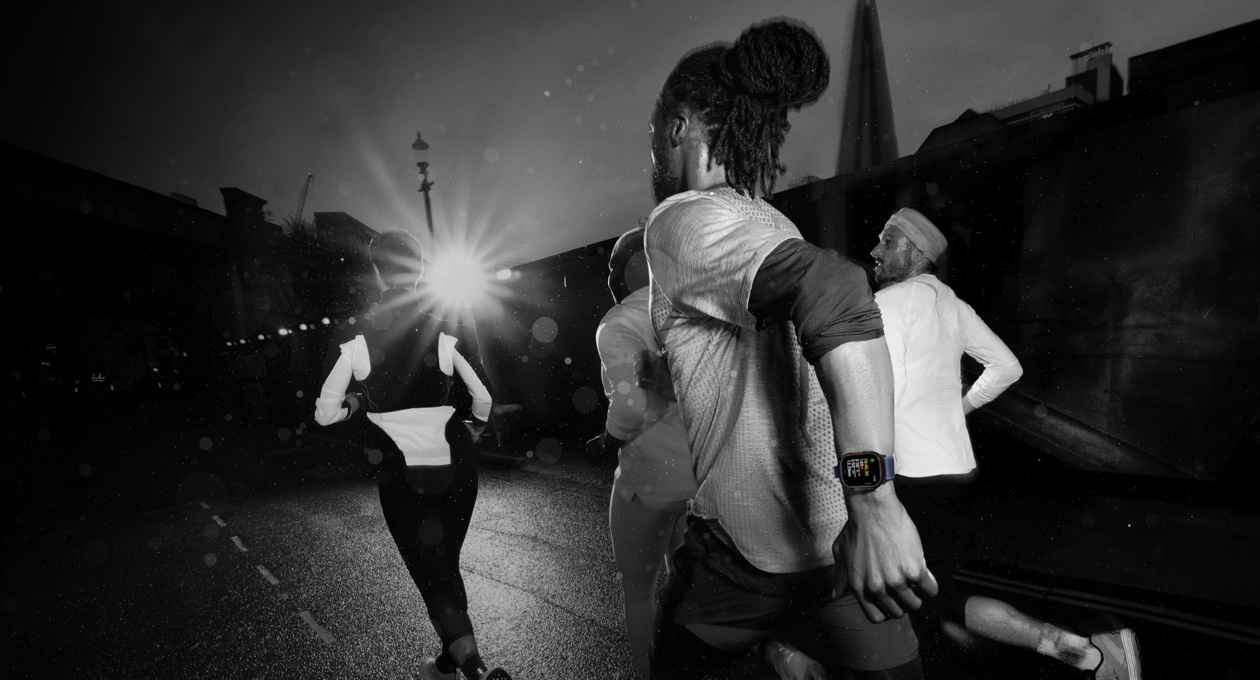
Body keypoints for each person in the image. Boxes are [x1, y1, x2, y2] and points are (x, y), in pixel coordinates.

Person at [643, 19, 937, 680]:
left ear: (679, 128)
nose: (653, 155)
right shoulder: (771, 220)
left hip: (748, 556)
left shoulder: (680, 220)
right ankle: (789, 651)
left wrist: (876, 504)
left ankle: (781, 649)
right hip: (835, 546)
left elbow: (837, 290)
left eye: (654, 137)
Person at [869, 207, 1142, 680]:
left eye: (888, 242)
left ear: (915, 254)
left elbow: (877, 388)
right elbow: (1007, 367)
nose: (875, 250)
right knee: (916, 588)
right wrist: (959, 409)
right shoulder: (953, 305)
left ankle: (1093, 654)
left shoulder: (888, 304)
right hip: (952, 469)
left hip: (909, 471)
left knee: (925, 594)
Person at [588, 226, 830, 680]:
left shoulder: (619, 321)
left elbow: (631, 403)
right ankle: (783, 654)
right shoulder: (705, 304)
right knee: (692, 582)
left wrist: (609, 438)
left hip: (650, 481)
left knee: (639, 589)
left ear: (622, 273)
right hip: (708, 477)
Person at [312, 230, 510, 680]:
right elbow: (482, 397)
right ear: (420, 268)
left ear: (377, 271)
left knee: (433, 577)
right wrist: (476, 427)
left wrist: (356, 403)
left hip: (403, 470)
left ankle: (477, 670)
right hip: (457, 463)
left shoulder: (356, 338)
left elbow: (324, 413)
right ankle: (445, 665)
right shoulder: (448, 329)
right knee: (444, 565)